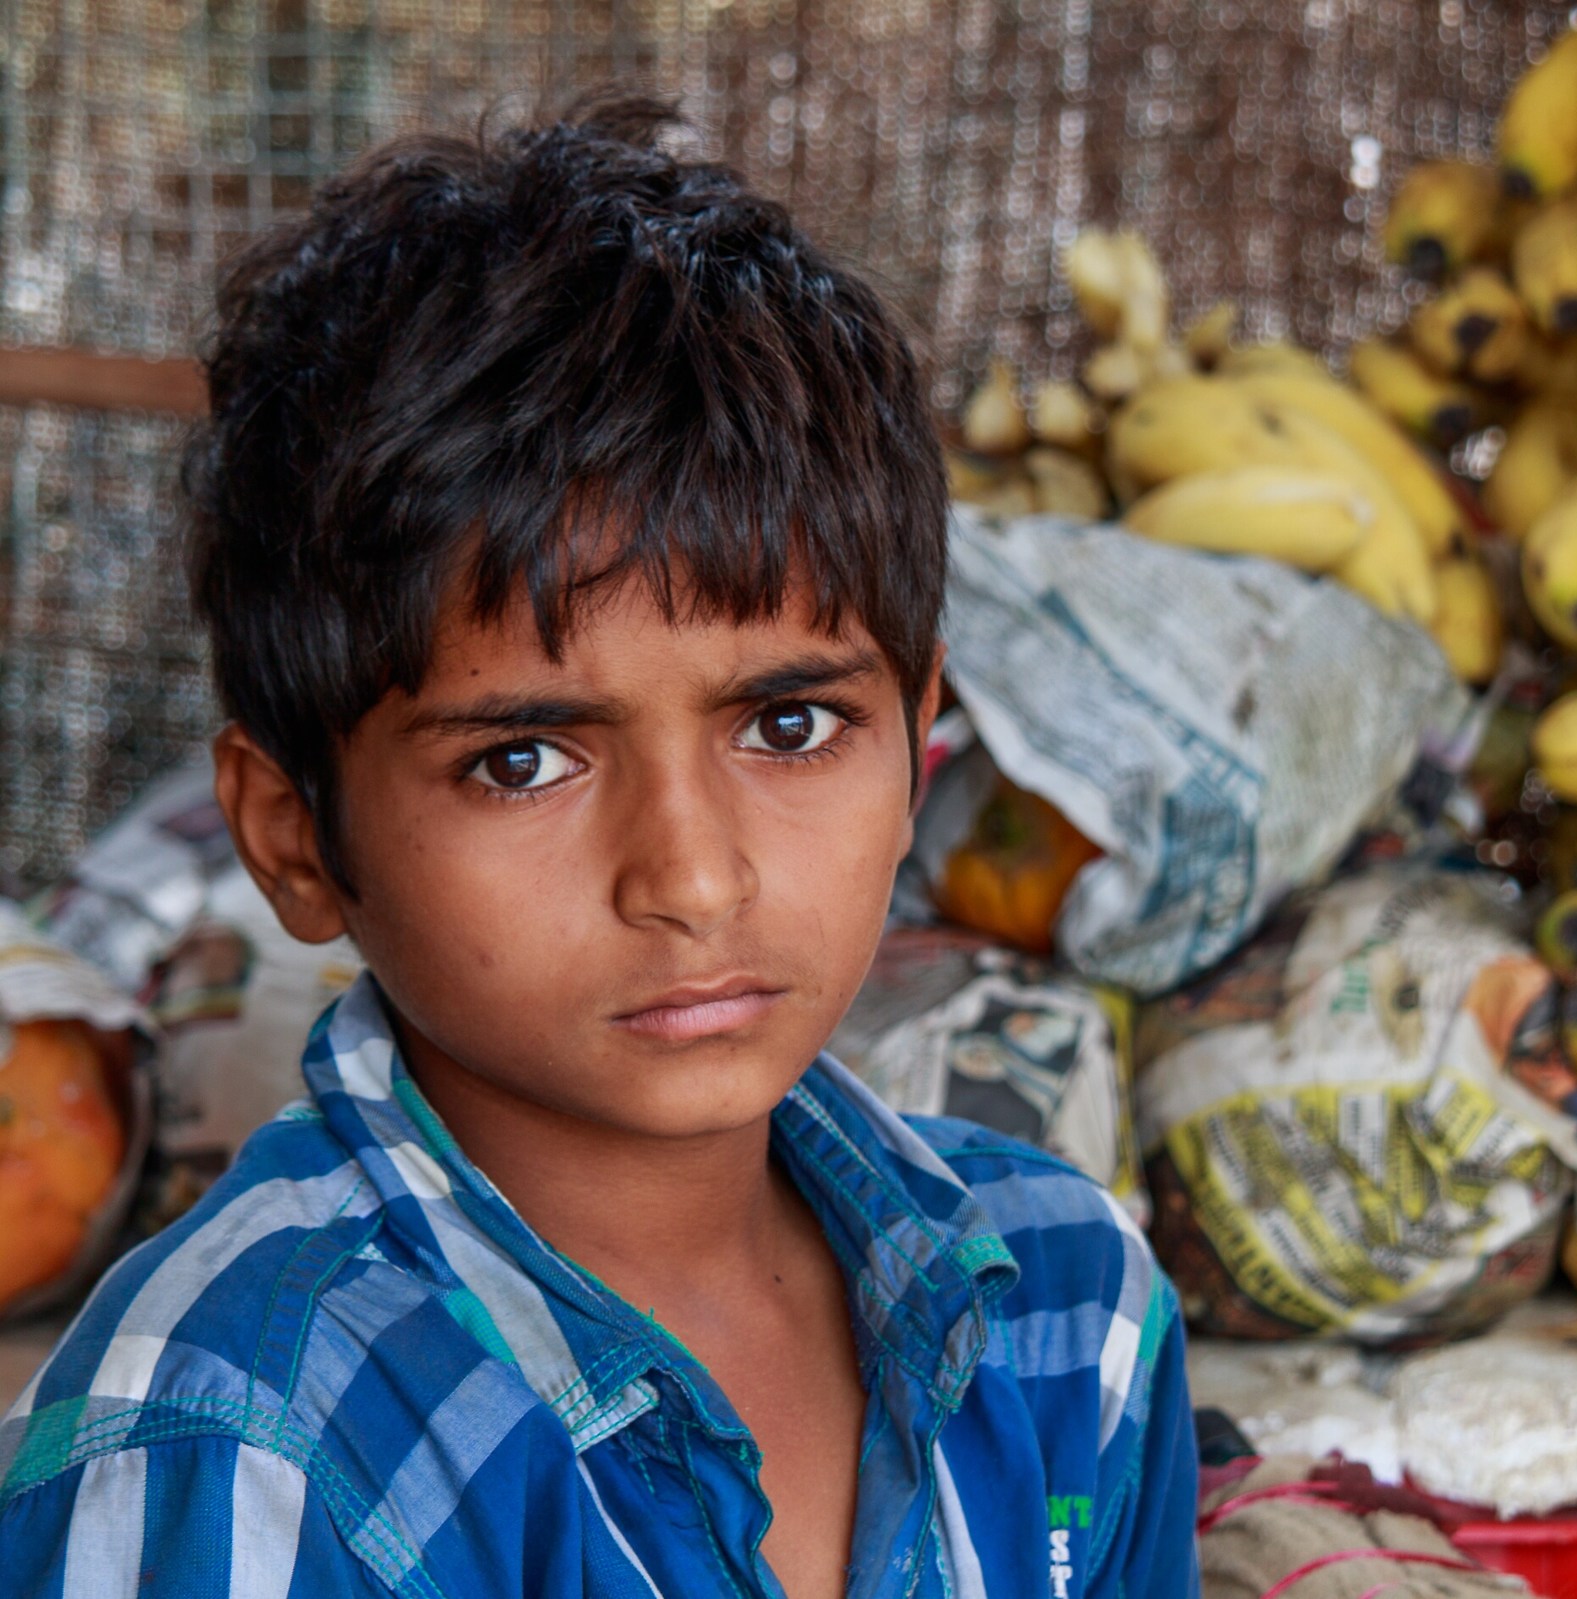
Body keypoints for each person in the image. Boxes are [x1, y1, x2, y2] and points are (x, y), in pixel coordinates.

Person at [0, 92, 1199, 1599]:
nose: (693, 878)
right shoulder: (243, 1441)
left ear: (919, 745)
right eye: (524, 759)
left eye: (789, 729)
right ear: (295, 837)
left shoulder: (1065, 1321)